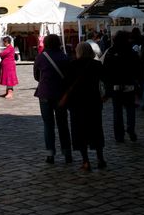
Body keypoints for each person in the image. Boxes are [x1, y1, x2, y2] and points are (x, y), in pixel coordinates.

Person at [61, 41, 105, 171]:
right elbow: (106, 80)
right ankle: (100, 158)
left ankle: (85, 161)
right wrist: (105, 96)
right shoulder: (96, 65)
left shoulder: (72, 65)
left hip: (77, 103)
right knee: (96, 129)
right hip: (94, 101)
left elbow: (66, 84)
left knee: (80, 131)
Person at [33, 33, 72, 164]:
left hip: (45, 93)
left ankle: (50, 154)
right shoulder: (65, 57)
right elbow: (68, 76)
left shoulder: (41, 57)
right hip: (60, 94)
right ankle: (67, 153)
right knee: (63, 124)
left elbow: (36, 76)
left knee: (48, 125)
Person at [103, 29, 142, 142]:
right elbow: (138, 69)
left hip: (116, 86)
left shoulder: (110, 52)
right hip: (129, 84)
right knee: (130, 108)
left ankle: (119, 136)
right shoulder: (131, 52)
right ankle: (130, 128)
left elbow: (106, 71)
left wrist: (108, 86)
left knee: (117, 111)